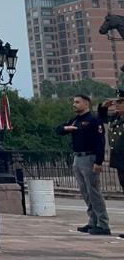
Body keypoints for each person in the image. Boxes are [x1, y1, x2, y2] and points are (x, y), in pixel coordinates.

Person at [57, 94, 110, 235]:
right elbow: (58, 129)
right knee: (85, 192)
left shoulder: (93, 120)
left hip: (90, 157)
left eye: (77, 102)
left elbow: (100, 142)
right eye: (73, 102)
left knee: (94, 192)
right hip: (78, 157)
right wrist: (66, 129)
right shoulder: (75, 120)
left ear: (86, 104)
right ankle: (92, 221)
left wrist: (99, 161)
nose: (74, 104)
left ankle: (103, 224)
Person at [98, 89, 124, 238]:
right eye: (117, 102)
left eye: (121, 102)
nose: (117, 105)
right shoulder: (116, 118)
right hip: (120, 161)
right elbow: (101, 119)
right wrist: (103, 107)